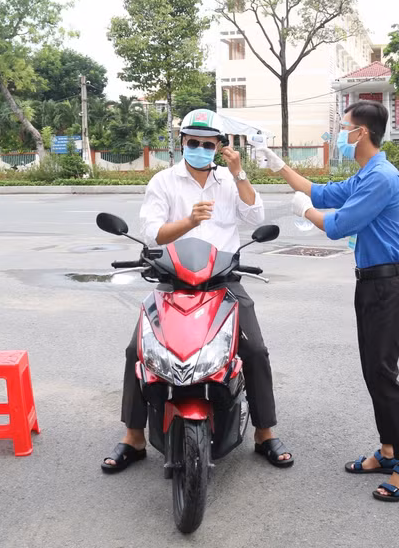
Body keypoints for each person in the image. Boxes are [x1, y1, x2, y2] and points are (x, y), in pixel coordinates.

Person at [102, 109, 294, 471]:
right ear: (182, 143)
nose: (201, 149)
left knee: (255, 350)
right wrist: (189, 221)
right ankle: (134, 436)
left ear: (219, 146)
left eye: (208, 144)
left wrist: (239, 173)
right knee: (136, 351)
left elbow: (255, 217)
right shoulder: (164, 182)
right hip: (172, 281)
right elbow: (153, 234)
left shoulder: (228, 181)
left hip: (223, 281)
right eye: (194, 142)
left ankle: (264, 433)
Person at [256, 100, 399, 502]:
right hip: (371, 284)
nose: (338, 136)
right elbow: (323, 192)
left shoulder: (381, 177)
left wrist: (306, 212)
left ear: (361, 133)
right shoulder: (367, 173)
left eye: (343, 128)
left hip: (388, 286)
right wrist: (279, 167)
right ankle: (389, 451)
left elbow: (338, 224)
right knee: (373, 372)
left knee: (383, 375)